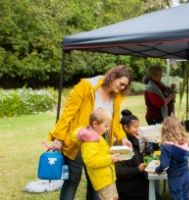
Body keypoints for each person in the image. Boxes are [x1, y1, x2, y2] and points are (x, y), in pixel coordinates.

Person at [48, 65, 132, 200]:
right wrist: (58, 138)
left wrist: (122, 138)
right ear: (113, 77)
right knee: (73, 180)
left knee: (96, 183)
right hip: (79, 140)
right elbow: (68, 114)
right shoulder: (85, 87)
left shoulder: (116, 96)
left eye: (125, 86)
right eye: (121, 84)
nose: (122, 88)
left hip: (99, 143)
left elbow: (114, 121)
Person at [75, 108, 120, 200]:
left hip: (108, 177)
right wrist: (110, 159)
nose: (107, 130)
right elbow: (91, 161)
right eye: (106, 126)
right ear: (95, 124)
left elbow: (101, 152)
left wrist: (111, 152)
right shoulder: (90, 141)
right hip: (103, 180)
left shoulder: (96, 136)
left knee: (114, 197)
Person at [115, 110, 153, 200]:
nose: (138, 129)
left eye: (138, 127)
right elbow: (119, 172)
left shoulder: (134, 140)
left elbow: (142, 159)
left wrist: (147, 146)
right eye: (135, 127)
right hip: (128, 187)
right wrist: (137, 169)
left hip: (139, 183)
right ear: (125, 127)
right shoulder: (119, 145)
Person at [155, 116, 189, 200]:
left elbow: (164, 165)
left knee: (177, 197)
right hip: (186, 174)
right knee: (186, 196)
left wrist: (158, 170)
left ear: (164, 130)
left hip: (175, 177)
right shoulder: (184, 142)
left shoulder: (166, 146)